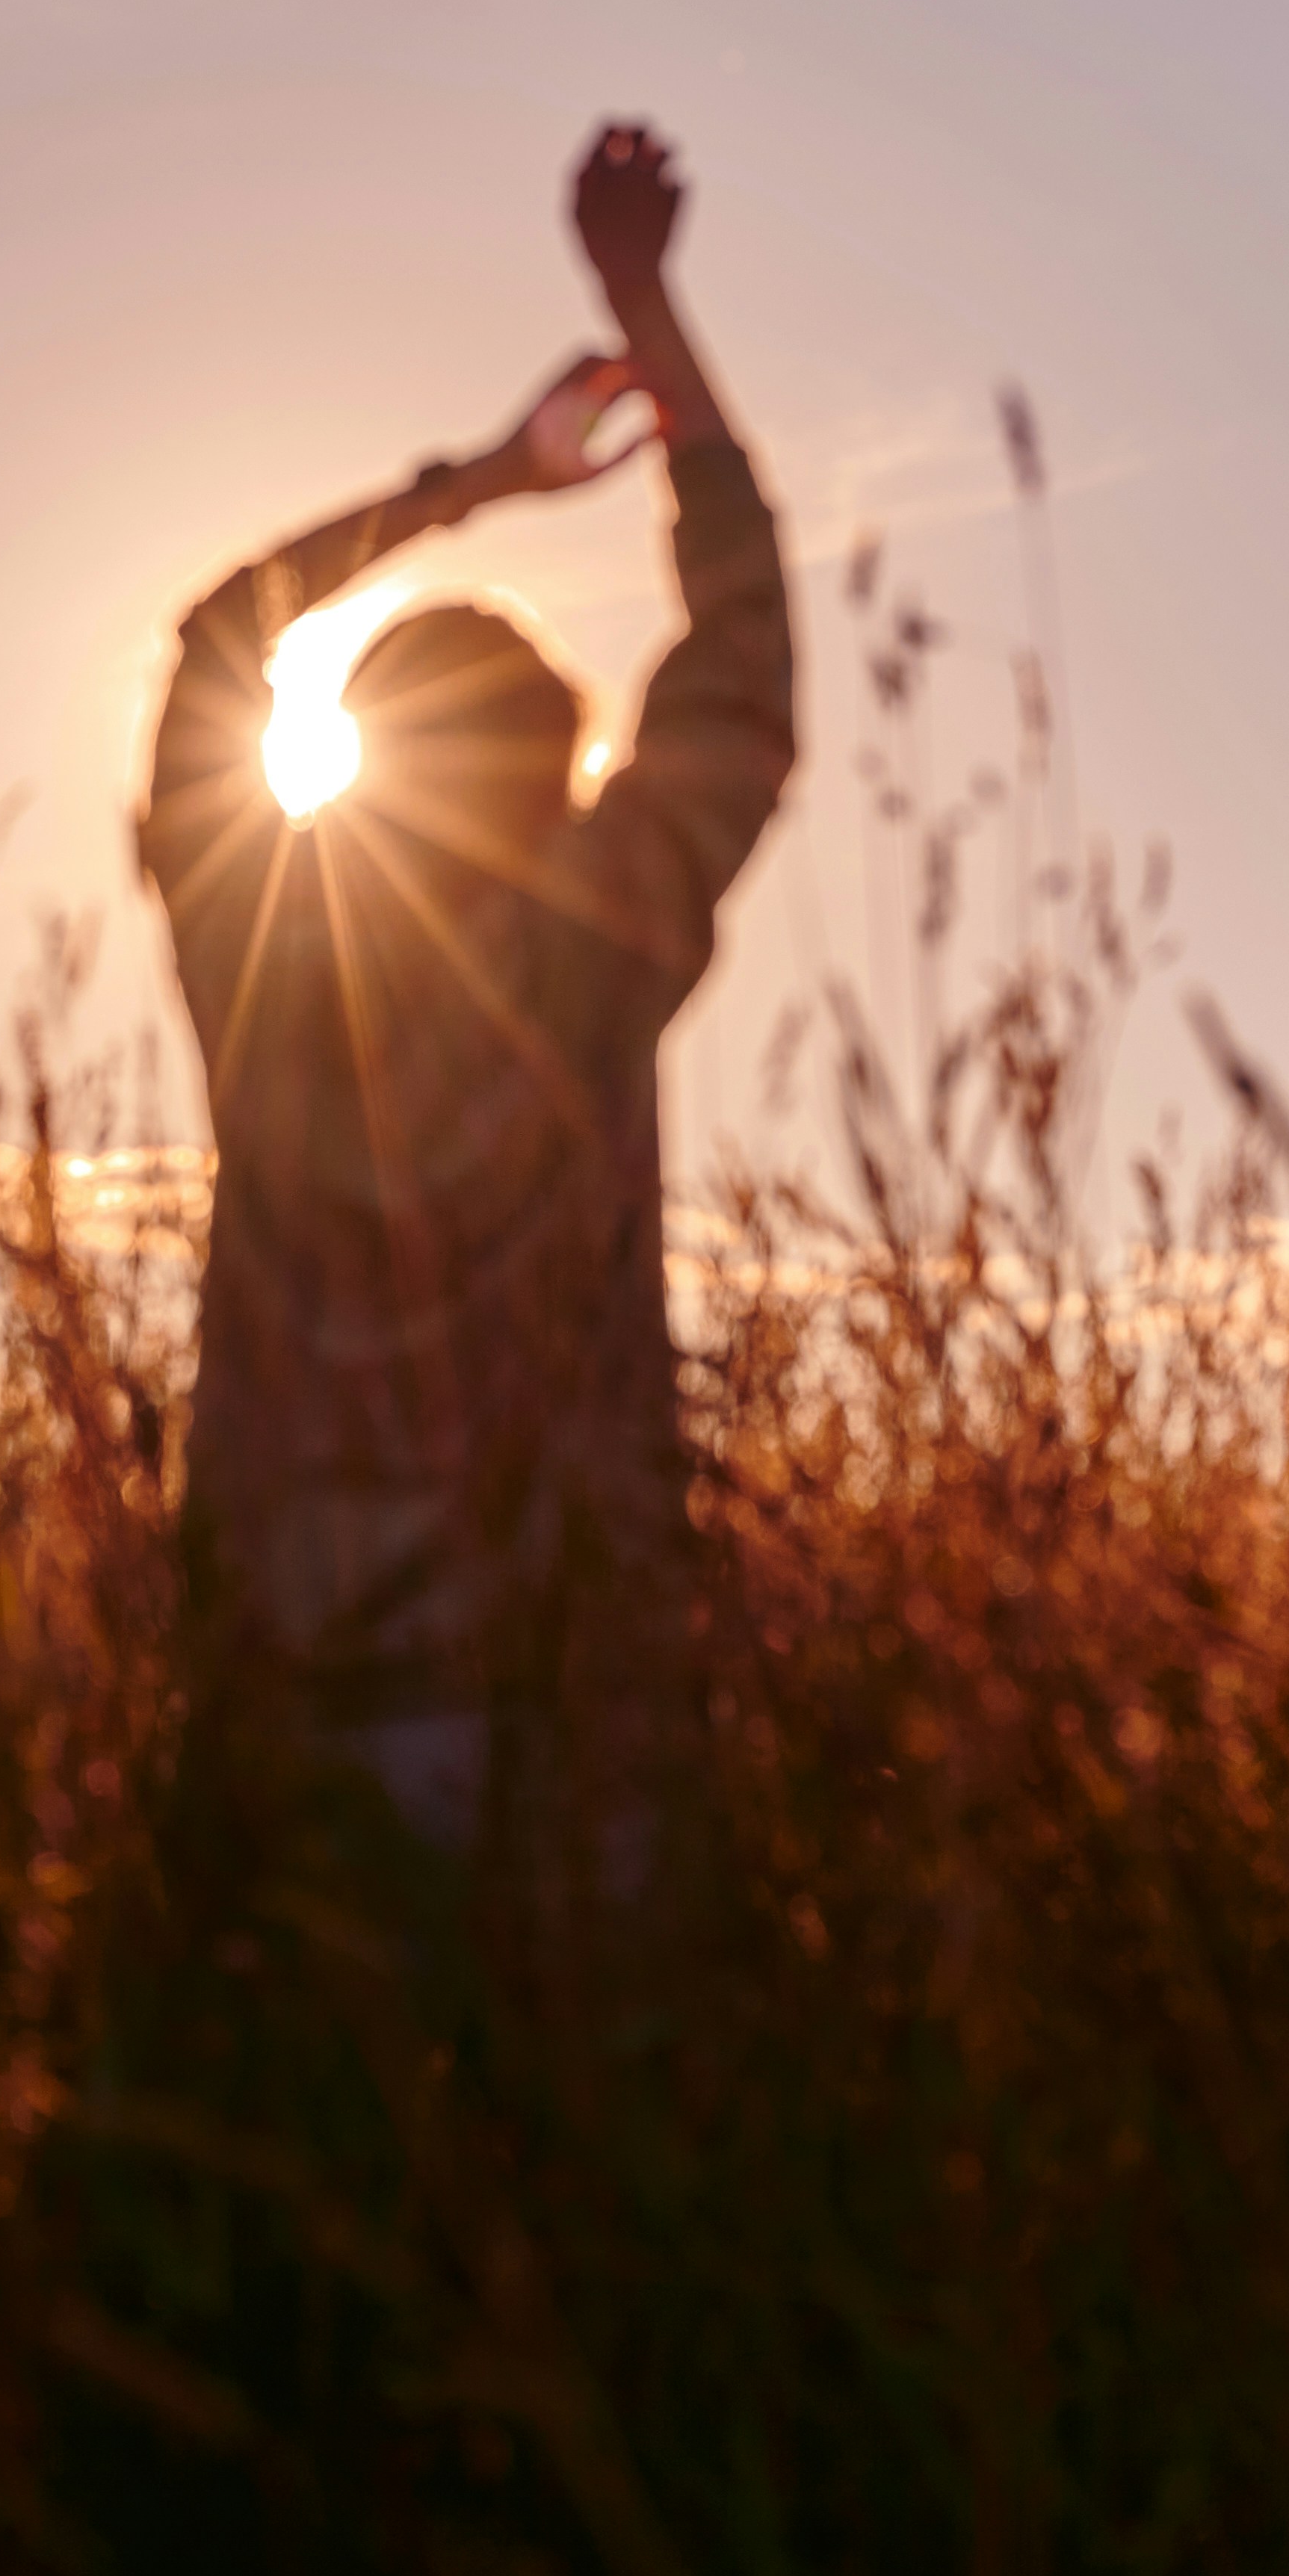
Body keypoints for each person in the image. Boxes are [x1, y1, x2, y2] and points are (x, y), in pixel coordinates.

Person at [138, 123, 794, 1861]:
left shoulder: (260, 947)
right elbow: (746, 652)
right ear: (569, 776)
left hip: (292, 1664)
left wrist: (478, 483)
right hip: (582, 1677)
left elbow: (213, 640)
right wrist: (647, 307)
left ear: (354, 766)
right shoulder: (606, 934)